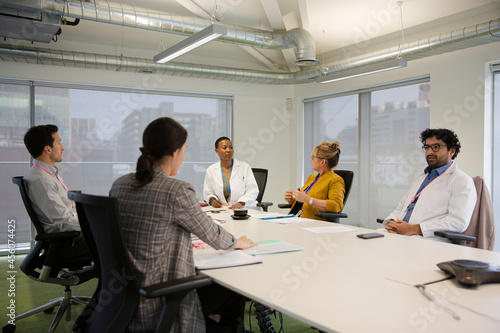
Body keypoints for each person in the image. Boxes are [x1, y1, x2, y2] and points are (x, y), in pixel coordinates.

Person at [109, 118, 256, 332]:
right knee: (232, 282)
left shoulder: (119, 184)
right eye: (185, 150)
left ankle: (215, 321)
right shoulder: (176, 190)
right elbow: (212, 234)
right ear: (174, 152)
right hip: (163, 297)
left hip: (125, 296)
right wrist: (236, 242)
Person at [383, 128, 477, 239]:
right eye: (427, 147)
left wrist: (414, 229)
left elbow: (457, 222)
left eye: (436, 147)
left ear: (451, 151)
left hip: (427, 239)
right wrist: (392, 222)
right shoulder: (421, 177)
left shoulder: (461, 181)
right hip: (399, 234)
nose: (429, 152)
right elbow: (402, 206)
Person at [23, 124, 89, 260]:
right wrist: (93, 222)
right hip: (67, 243)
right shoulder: (41, 180)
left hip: (72, 237)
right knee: (119, 236)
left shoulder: (48, 174)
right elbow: (64, 222)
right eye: (59, 143)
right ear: (47, 149)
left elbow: (67, 210)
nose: (63, 148)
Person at [284, 141, 345, 221]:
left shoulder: (335, 180)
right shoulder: (312, 178)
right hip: (298, 219)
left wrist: (308, 199)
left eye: (314, 157)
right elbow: (304, 203)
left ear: (322, 162)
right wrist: (292, 199)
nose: (311, 159)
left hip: (314, 222)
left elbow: (336, 205)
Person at [203, 136, 259, 210]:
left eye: (231, 147)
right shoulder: (211, 170)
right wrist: (212, 200)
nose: (229, 150)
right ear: (217, 151)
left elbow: (253, 190)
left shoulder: (244, 167)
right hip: (222, 210)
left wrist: (241, 202)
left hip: (245, 209)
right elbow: (208, 193)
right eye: (224, 148)